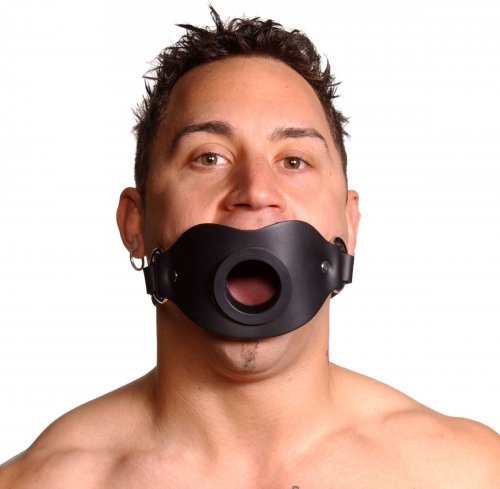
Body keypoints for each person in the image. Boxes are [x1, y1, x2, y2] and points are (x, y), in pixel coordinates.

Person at [1, 8, 499, 487]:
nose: (256, 192)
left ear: (349, 222)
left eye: (294, 161)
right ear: (136, 223)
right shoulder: (41, 482)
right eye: (209, 157)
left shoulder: (468, 474)